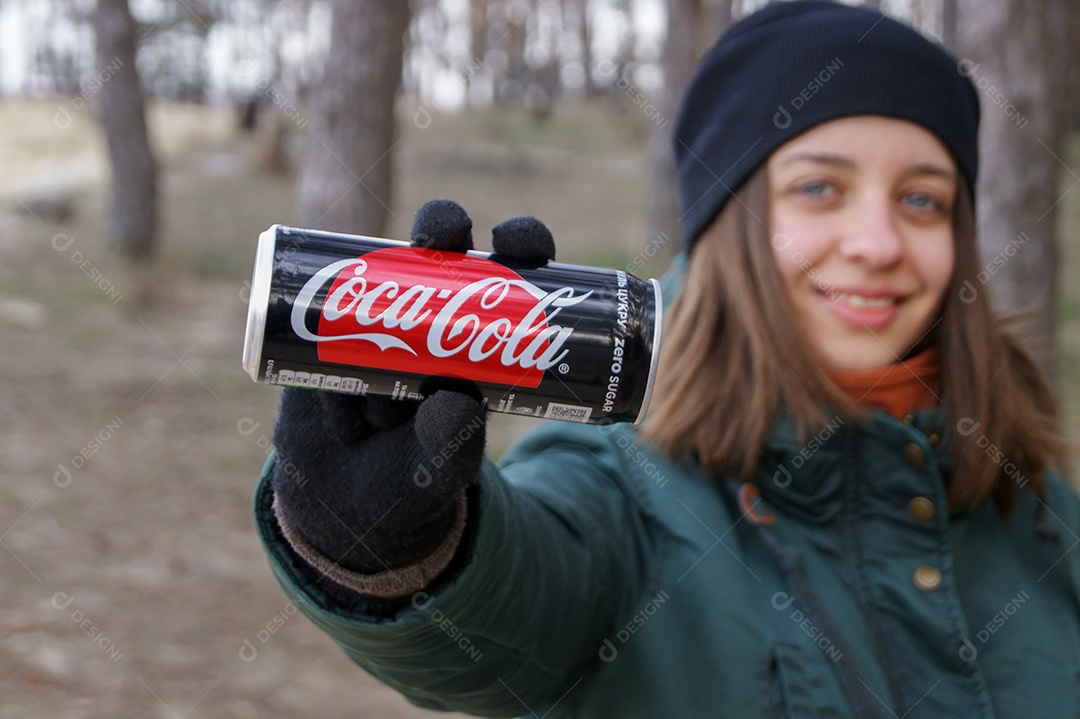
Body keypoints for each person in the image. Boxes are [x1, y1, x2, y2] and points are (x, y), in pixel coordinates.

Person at [253, 2, 1080, 717]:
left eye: (923, 199)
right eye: (819, 188)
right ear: (730, 222)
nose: (877, 243)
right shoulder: (621, 489)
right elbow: (516, 605)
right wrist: (390, 549)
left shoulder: (1044, 512)